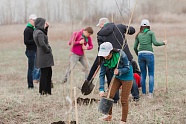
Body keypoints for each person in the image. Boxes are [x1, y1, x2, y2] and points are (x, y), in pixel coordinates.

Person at [86, 17, 135, 103]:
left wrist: (102, 59)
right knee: (129, 76)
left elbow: (100, 49)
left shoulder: (100, 34)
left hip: (111, 58)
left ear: (102, 24)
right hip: (125, 55)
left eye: (100, 26)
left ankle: (114, 99)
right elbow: (132, 30)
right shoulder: (120, 27)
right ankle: (136, 96)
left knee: (111, 78)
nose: (100, 28)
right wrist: (127, 28)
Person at [98, 42, 133, 124]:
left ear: (111, 52)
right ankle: (109, 116)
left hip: (127, 76)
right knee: (109, 95)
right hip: (116, 77)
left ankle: (123, 120)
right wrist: (101, 89)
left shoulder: (121, 54)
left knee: (123, 100)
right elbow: (102, 74)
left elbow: (127, 67)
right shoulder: (103, 59)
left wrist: (120, 71)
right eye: (103, 54)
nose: (104, 56)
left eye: (106, 54)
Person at [134, 19, 167, 98]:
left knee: (143, 74)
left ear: (141, 26)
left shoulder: (138, 35)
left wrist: (138, 54)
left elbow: (135, 47)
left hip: (141, 54)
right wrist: (163, 43)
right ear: (149, 26)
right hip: (149, 54)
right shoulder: (151, 33)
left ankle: (144, 93)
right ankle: (150, 94)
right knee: (151, 74)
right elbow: (155, 43)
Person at [33, 18, 54, 95]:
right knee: (46, 73)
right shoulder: (39, 33)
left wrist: (47, 27)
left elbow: (44, 35)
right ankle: (45, 91)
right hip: (44, 55)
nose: (45, 24)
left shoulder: (37, 31)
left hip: (42, 54)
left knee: (46, 72)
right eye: (44, 23)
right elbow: (42, 43)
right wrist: (47, 49)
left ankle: (44, 91)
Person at [24, 14, 40, 89]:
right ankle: (30, 86)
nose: (35, 22)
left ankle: (37, 80)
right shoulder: (27, 29)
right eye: (34, 20)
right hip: (30, 51)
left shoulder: (34, 29)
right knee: (31, 69)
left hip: (35, 50)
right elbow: (26, 41)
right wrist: (35, 40)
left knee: (37, 67)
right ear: (30, 20)